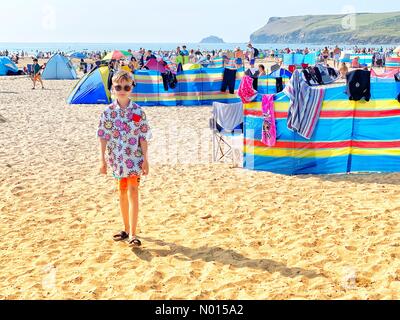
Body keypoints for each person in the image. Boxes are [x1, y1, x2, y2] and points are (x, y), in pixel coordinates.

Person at [98, 70, 150, 247]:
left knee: (133, 190)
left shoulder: (138, 112)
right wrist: (102, 160)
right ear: (113, 87)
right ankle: (126, 229)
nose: (122, 90)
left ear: (132, 88)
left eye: (126, 87)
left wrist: (146, 159)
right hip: (117, 159)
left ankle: (134, 234)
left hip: (134, 158)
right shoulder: (108, 112)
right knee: (121, 192)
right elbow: (103, 135)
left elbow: (143, 136)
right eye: (118, 86)